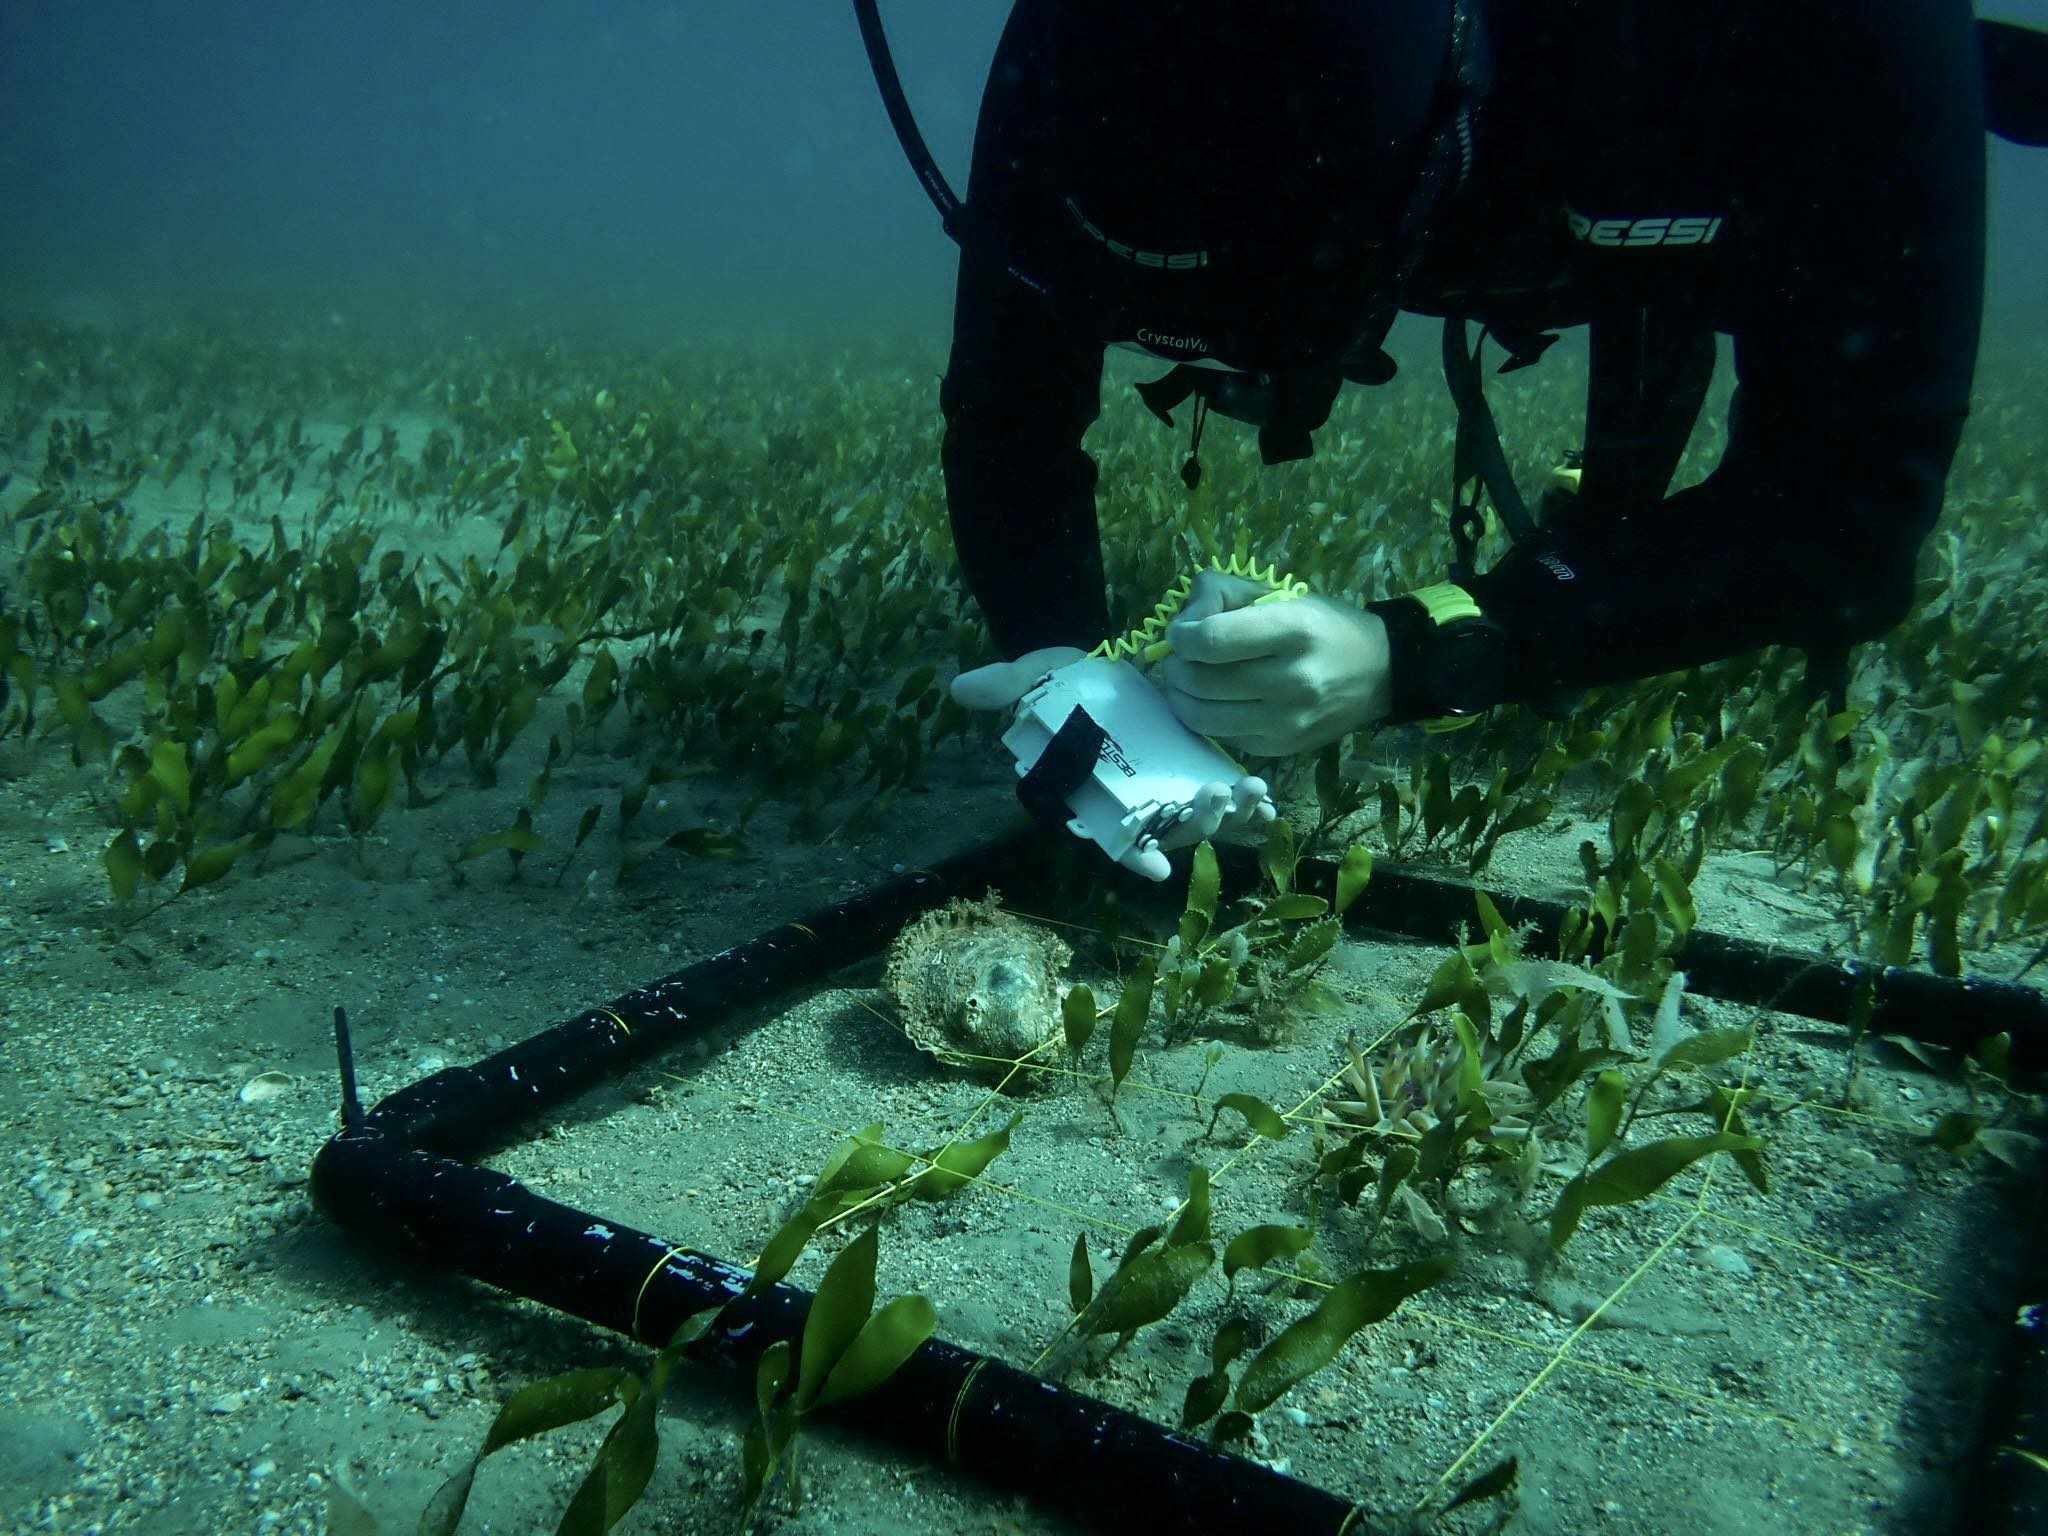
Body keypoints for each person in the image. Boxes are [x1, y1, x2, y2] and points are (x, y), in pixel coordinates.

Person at [880, 0, 2040, 876]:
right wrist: (1049, 637)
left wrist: (1415, 652)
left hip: (1641, 138)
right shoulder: (1078, 51)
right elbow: (1009, 402)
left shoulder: (1806, 38)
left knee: (1674, 267)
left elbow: (1849, 524)